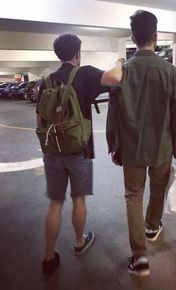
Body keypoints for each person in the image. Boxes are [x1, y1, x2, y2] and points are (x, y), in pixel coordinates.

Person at [106, 10, 176, 276]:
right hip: (162, 147)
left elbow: (113, 116)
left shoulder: (122, 73)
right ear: (155, 36)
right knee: (157, 188)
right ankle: (153, 225)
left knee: (133, 196)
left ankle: (139, 257)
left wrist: (113, 145)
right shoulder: (170, 71)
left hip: (131, 150)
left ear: (133, 38)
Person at [36, 33, 123, 276]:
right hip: (79, 149)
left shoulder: (47, 81)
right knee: (78, 199)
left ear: (58, 55)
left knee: (55, 203)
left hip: (52, 150)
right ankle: (78, 241)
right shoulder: (84, 74)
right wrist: (119, 61)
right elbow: (116, 77)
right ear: (77, 54)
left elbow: (40, 118)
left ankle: (48, 256)